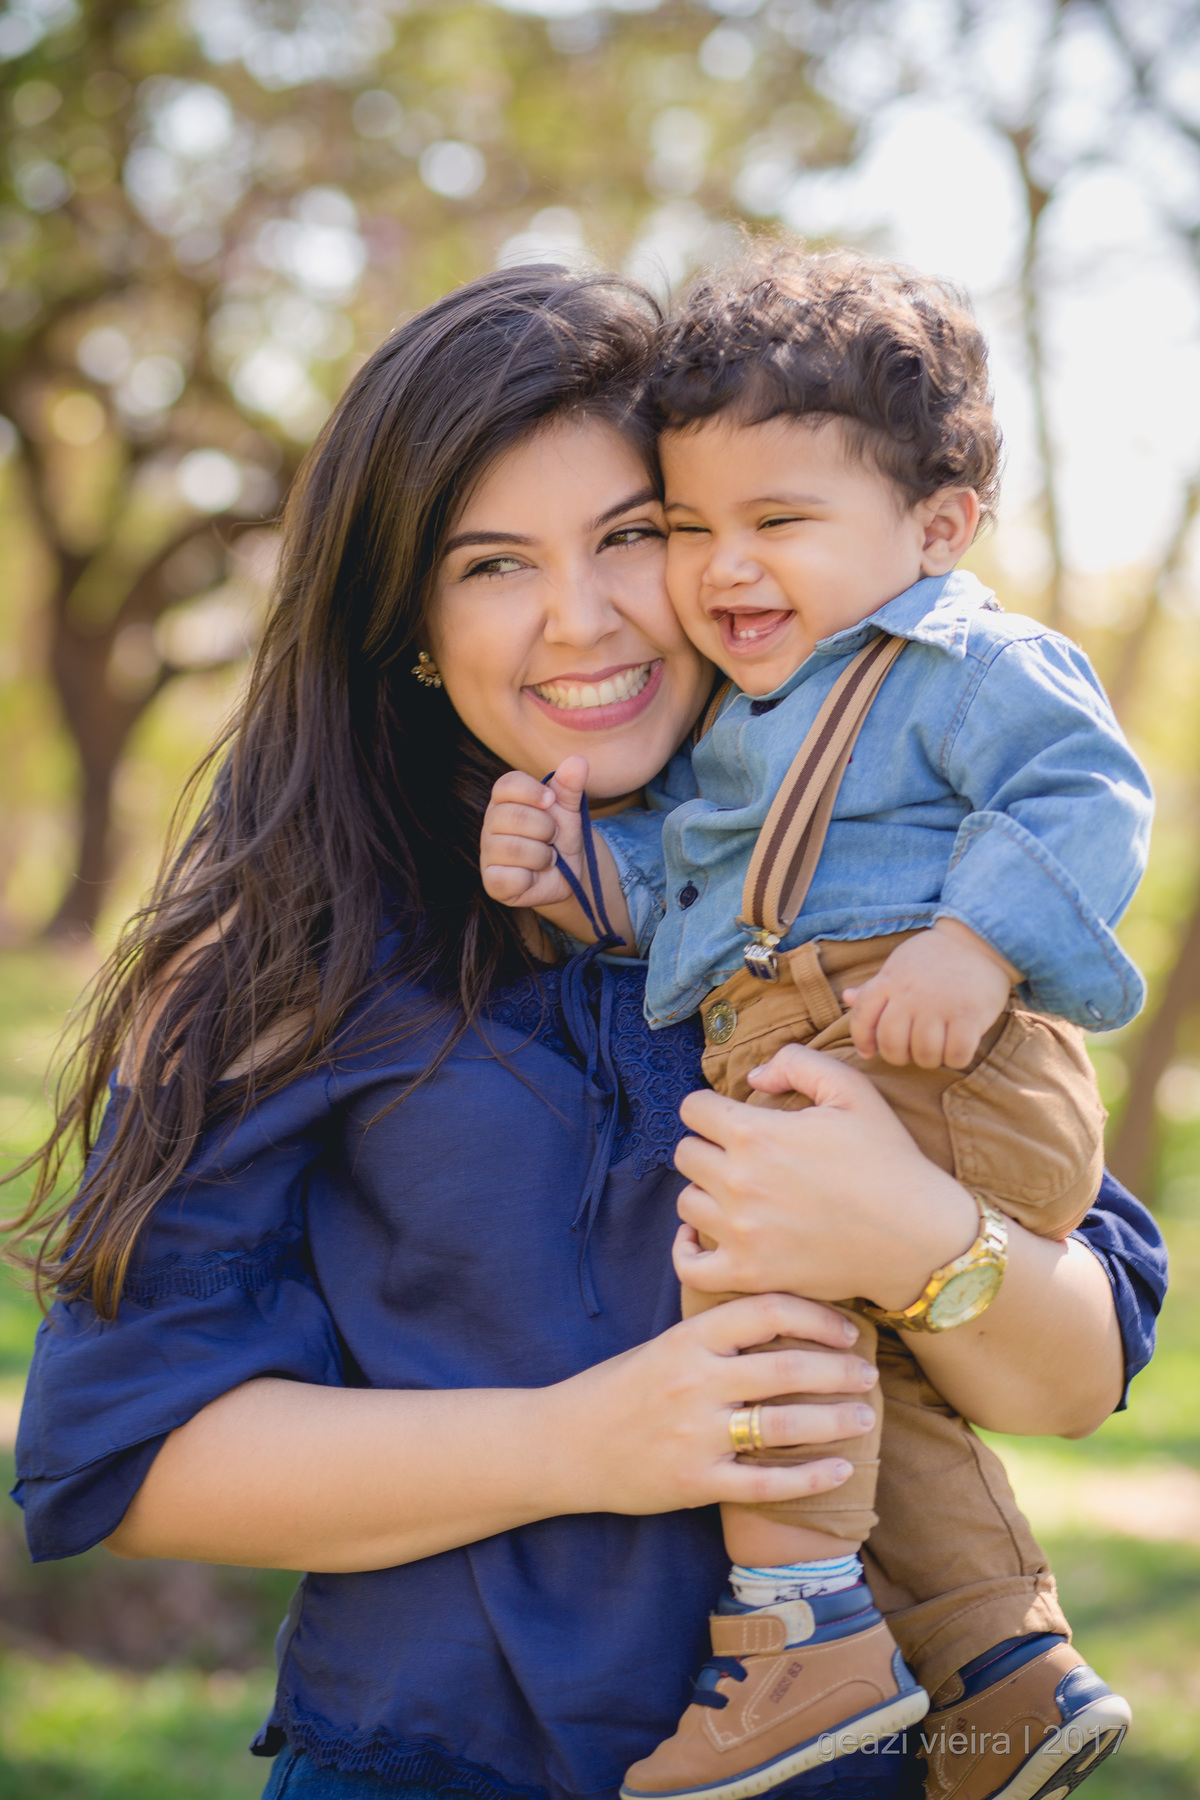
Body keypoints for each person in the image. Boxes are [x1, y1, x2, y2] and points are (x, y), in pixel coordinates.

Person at [5, 266, 1166, 1800]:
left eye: (633, 535)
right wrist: (588, 1444)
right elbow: (122, 1460)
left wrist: (915, 1234)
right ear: (410, 620)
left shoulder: (888, 876)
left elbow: (1075, 1378)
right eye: (492, 565)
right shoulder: (300, 940)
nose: (583, 618)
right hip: (429, 1764)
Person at [479, 249, 1154, 1800]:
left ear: (936, 527)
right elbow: (715, 896)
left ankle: (796, 1646)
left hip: (932, 1050)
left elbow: (1087, 792)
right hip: (831, 1037)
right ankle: (1006, 1678)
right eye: (694, 526)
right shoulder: (750, 725)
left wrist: (977, 947)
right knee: (874, 1390)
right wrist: (587, 875)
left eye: (780, 521)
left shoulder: (959, 660)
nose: (727, 569)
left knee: (754, 1284)